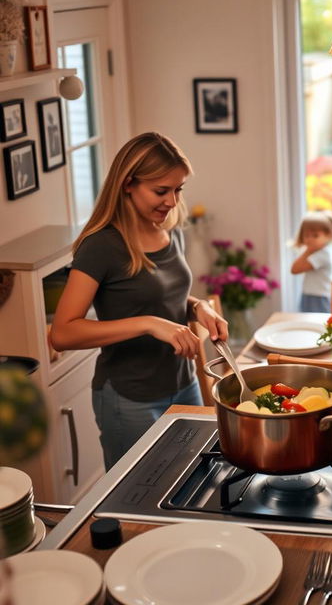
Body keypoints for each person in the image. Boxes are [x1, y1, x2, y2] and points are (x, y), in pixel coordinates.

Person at [50, 132, 228, 471]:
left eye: (178, 189)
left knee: (194, 480)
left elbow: (161, 294)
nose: (172, 201)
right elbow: (63, 333)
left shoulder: (167, 229)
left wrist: (197, 307)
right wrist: (148, 323)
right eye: (161, 191)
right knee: (139, 502)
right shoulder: (101, 246)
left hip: (184, 383)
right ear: (128, 184)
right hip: (129, 399)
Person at [290, 210, 332, 313]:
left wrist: (307, 250)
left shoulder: (323, 254)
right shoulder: (317, 252)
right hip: (310, 294)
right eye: (306, 235)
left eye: (315, 236)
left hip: (318, 297)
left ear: (328, 235)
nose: (309, 240)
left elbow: (295, 269)